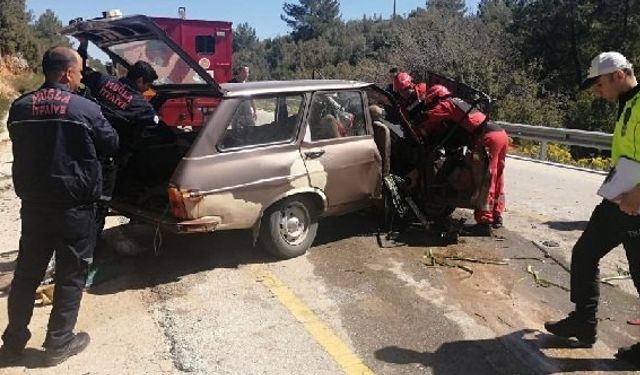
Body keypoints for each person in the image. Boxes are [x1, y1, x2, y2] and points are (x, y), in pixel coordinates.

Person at [0, 46, 118, 366]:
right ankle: (58, 343)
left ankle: (12, 343)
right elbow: (112, 144)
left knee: (26, 275)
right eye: (79, 72)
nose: (80, 78)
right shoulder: (85, 109)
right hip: (74, 210)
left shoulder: (20, 107)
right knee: (71, 275)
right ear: (67, 73)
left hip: (35, 208)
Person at [544, 51, 640, 369]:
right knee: (585, 254)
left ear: (618, 75)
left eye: (599, 83)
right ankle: (584, 324)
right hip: (617, 201)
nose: (597, 91)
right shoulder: (627, 104)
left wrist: (637, 195)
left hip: (636, 205)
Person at [77, 38, 165, 258]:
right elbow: (157, 126)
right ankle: (92, 248)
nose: (147, 91)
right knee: (100, 203)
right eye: (147, 86)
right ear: (141, 80)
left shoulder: (101, 80)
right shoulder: (139, 104)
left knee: (78, 201)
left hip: (79, 151)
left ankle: (72, 243)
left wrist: (83, 45)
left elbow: (79, 69)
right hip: (106, 159)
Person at [416, 84, 508, 231]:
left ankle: (485, 219)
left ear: (436, 98)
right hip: (500, 134)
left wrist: (419, 125)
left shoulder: (446, 103)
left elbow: (431, 117)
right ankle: (497, 214)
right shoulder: (460, 102)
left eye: (432, 102)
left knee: (486, 177)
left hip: (487, 137)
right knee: (498, 176)